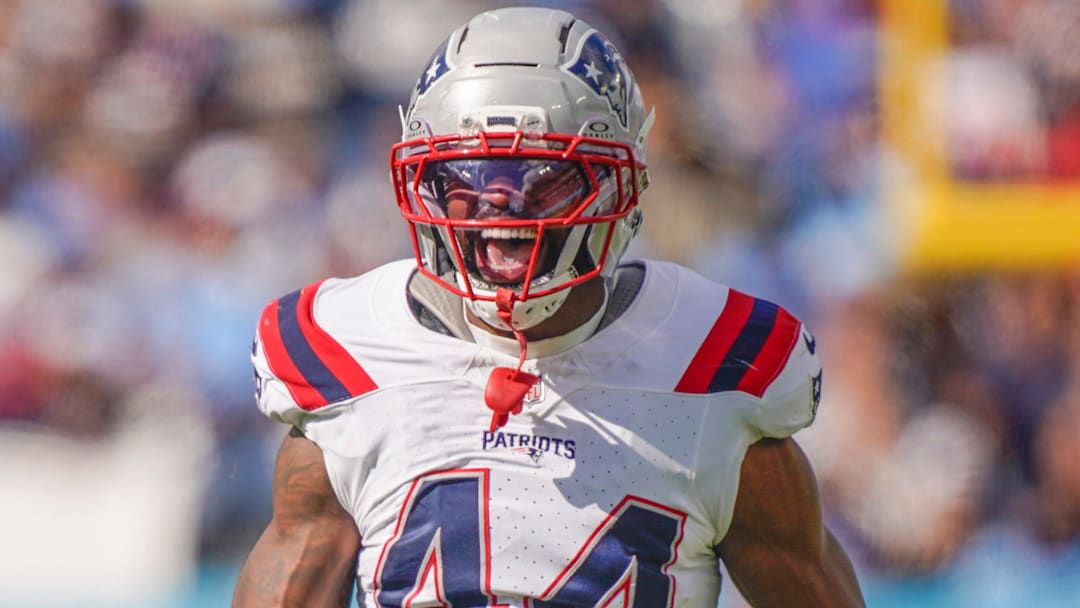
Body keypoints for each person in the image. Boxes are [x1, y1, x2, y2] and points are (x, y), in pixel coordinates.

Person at [232, 7, 865, 607]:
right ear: (424, 183)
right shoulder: (351, 357)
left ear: (618, 185)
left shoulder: (713, 368)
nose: (500, 207)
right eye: (469, 178)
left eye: (542, 177)